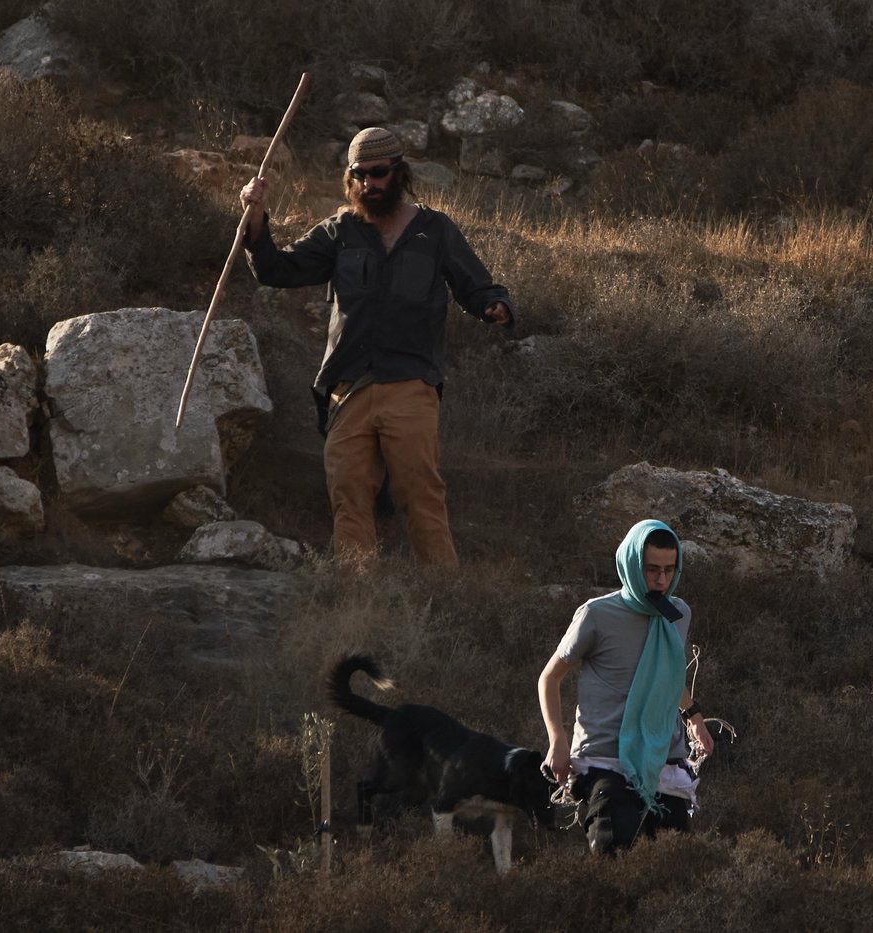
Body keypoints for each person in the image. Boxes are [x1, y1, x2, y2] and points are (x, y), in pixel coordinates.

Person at [238, 126, 513, 569]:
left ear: (398, 172)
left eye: (378, 173)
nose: (369, 183)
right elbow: (277, 269)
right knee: (347, 494)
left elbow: (475, 284)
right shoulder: (340, 231)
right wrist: (254, 217)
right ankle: (356, 596)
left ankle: (444, 593)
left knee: (420, 493)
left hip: (411, 383)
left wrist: (493, 305)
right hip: (348, 387)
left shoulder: (434, 230)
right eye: (359, 174)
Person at [537, 519, 715, 855]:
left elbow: (667, 676)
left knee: (676, 857)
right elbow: (549, 678)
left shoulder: (677, 613)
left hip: (662, 757)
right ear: (631, 564)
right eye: (652, 570)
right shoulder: (596, 614)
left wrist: (694, 718)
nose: (661, 580)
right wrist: (557, 741)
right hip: (604, 756)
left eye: (669, 570)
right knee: (616, 843)